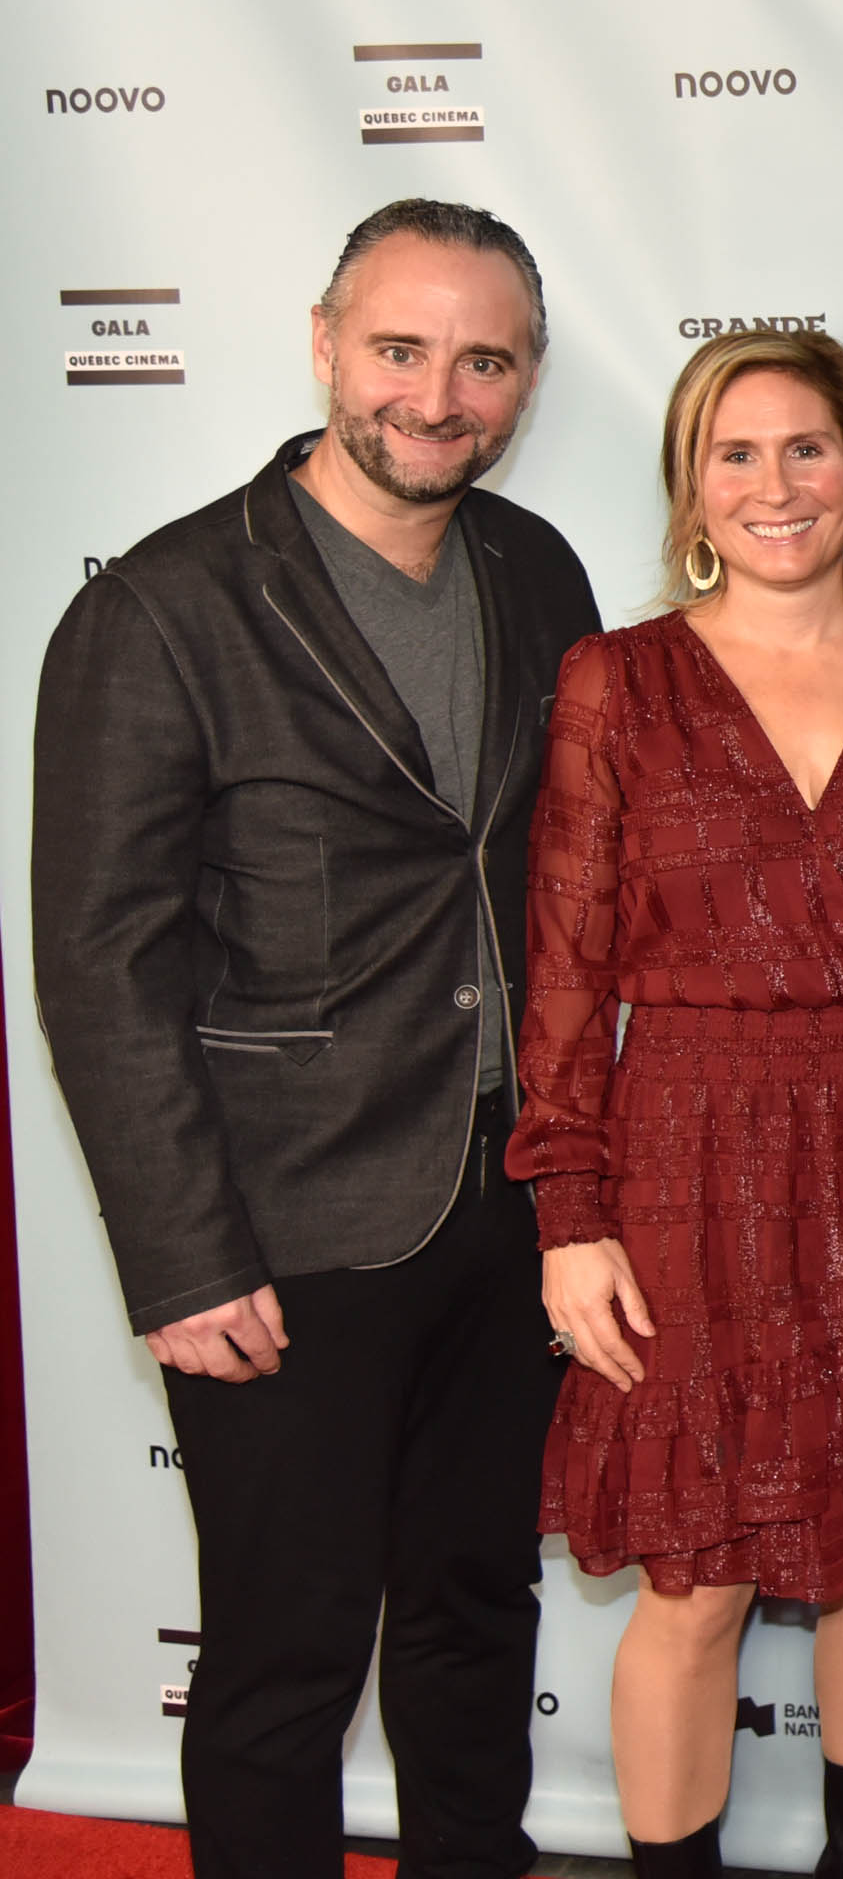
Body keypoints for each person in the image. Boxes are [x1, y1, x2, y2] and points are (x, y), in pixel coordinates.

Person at [31, 199, 602, 1879]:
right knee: (285, 1664)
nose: (439, 396)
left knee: (474, 1619)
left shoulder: (535, 568)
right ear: (325, 344)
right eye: (402, 349)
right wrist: (181, 1260)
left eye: (484, 360)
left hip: (506, 1209)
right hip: (282, 1230)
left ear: (527, 379)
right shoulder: (162, 610)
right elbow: (100, 959)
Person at [513, 329, 843, 1879]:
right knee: (693, 1578)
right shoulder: (617, 683)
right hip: (688, 1149)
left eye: (806, 448)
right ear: (690, 484)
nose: (774, 484)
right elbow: (560, 970)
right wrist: (569, 1215)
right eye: (734, 453)